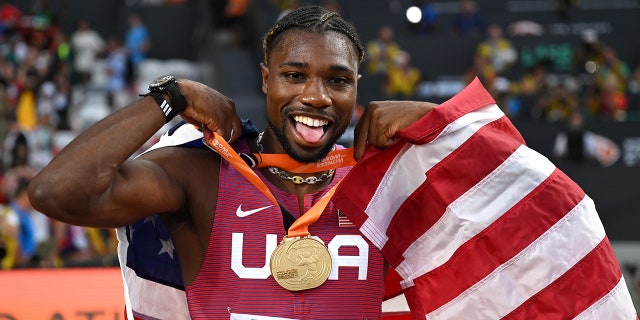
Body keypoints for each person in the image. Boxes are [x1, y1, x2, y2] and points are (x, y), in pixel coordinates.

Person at [28, 6, 433, 319]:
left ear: (357, 87)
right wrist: (172, 96)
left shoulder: (389, 178)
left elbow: (495, 209)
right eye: (294, 75)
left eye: (338, 81)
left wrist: (442, 126)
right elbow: (55, 191)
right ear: (264, 80)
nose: (316, 97)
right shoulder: (203, 175)